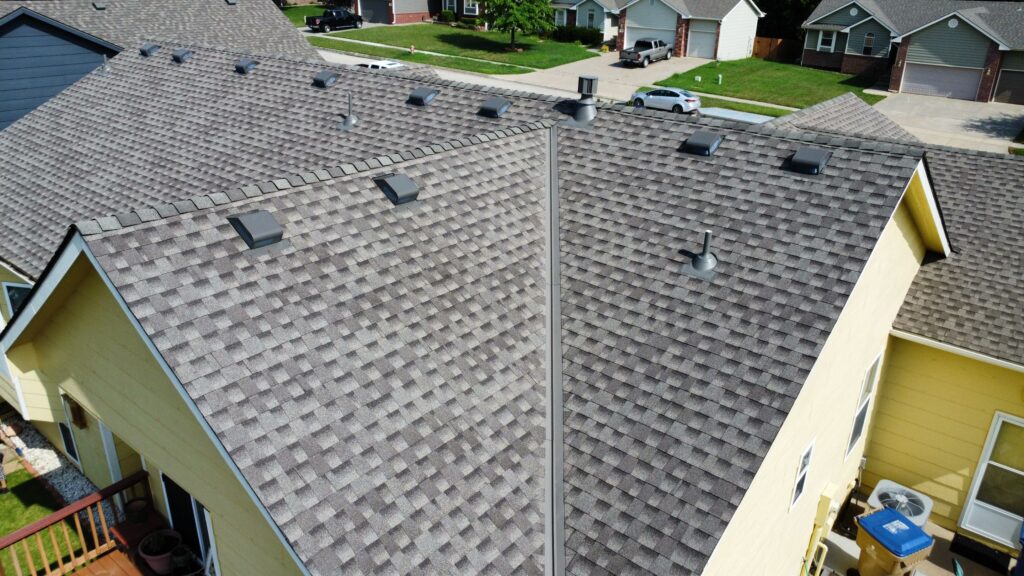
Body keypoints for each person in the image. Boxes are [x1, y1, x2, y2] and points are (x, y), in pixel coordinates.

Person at [0, 420, 24, 493]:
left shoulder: (4, 435)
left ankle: (4, 487)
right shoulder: (2, 431)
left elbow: (8, 441)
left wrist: (16, 448)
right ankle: (4, 487)